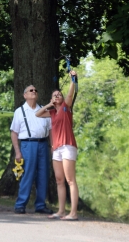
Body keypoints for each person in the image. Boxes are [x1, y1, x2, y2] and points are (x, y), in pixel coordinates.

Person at [35, 70, 79, 221]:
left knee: (70, 180)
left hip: (68, 146)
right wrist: (49, 104)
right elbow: (38, 114)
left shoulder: (66, 108)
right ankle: (61, 211)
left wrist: (73, 79)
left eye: (59, 94)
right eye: (54, 95)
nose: (57, 96)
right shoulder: (52, 113)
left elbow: (70, 94)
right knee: (59, 180)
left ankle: (73, 212)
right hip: (57, 148)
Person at [10, 85, 53, 214]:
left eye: (35, 90)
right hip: (28, 144)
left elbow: (50, 130)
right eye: (31, 90)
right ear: (25, 95)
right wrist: (17, 151)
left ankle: (40, 205)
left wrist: (52, 146)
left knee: (43, 175)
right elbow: (14, 132)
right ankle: (20, 204)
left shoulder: (44, 110)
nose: (34, 92)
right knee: (27, 173)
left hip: (43, 144)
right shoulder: (20, 111)